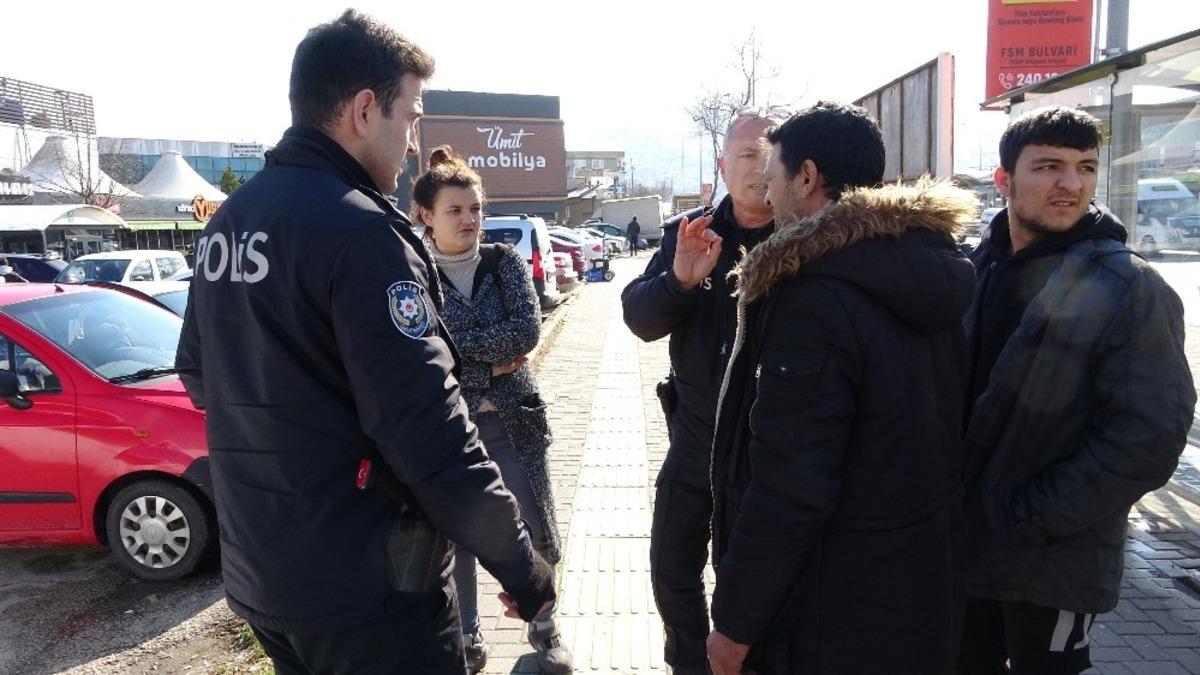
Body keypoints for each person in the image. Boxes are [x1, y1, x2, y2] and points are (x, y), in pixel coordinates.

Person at [175, 12, 555, 674]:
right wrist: (524, 567)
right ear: (361, 110)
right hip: (368, 594)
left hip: (264, 579)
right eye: (410, 117)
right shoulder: (362, 235)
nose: (413, 144)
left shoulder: (231, 223)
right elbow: (430, 431)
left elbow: (201, 377)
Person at [707, 101, 976, 675]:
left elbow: (789, 483)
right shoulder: (927, 264)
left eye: (773, 175)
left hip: (829, 605)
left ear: (807, 178)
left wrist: (734, 622)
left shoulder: (813, 297)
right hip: (915, 588)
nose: (767, 189)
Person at [959, 106, 1195, 675]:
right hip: (961, 550)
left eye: (1086, 167)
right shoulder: (975, 269)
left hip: (1051, 560)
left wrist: (1026, 516)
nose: (1071, 183)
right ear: (1004, 179)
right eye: (1048, 166)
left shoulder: (1128, 286)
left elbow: (1147, 439)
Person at [622, 106, 787, 674]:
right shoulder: (690, 234)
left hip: (765, 457)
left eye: (770, 155)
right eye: (747, 154)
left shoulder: (807, 240)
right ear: (723, 164)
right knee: (671, 574)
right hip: (693, 444)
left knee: (749, 588)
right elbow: (640, 319)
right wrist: (680, 282)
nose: (760, 167)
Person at [412, 146, 572, 675]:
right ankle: (469, 637)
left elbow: (526, 332)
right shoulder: (413, 274)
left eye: (475, 208)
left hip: (514, 420)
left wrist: (461, 355)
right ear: (426, 216)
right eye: (455, 210)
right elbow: (423, 352)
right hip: (452, 426)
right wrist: (491, 362)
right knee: (456, 538)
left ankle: (545, 627)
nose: (469, 220)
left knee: (535, 529)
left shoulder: (503, 262)